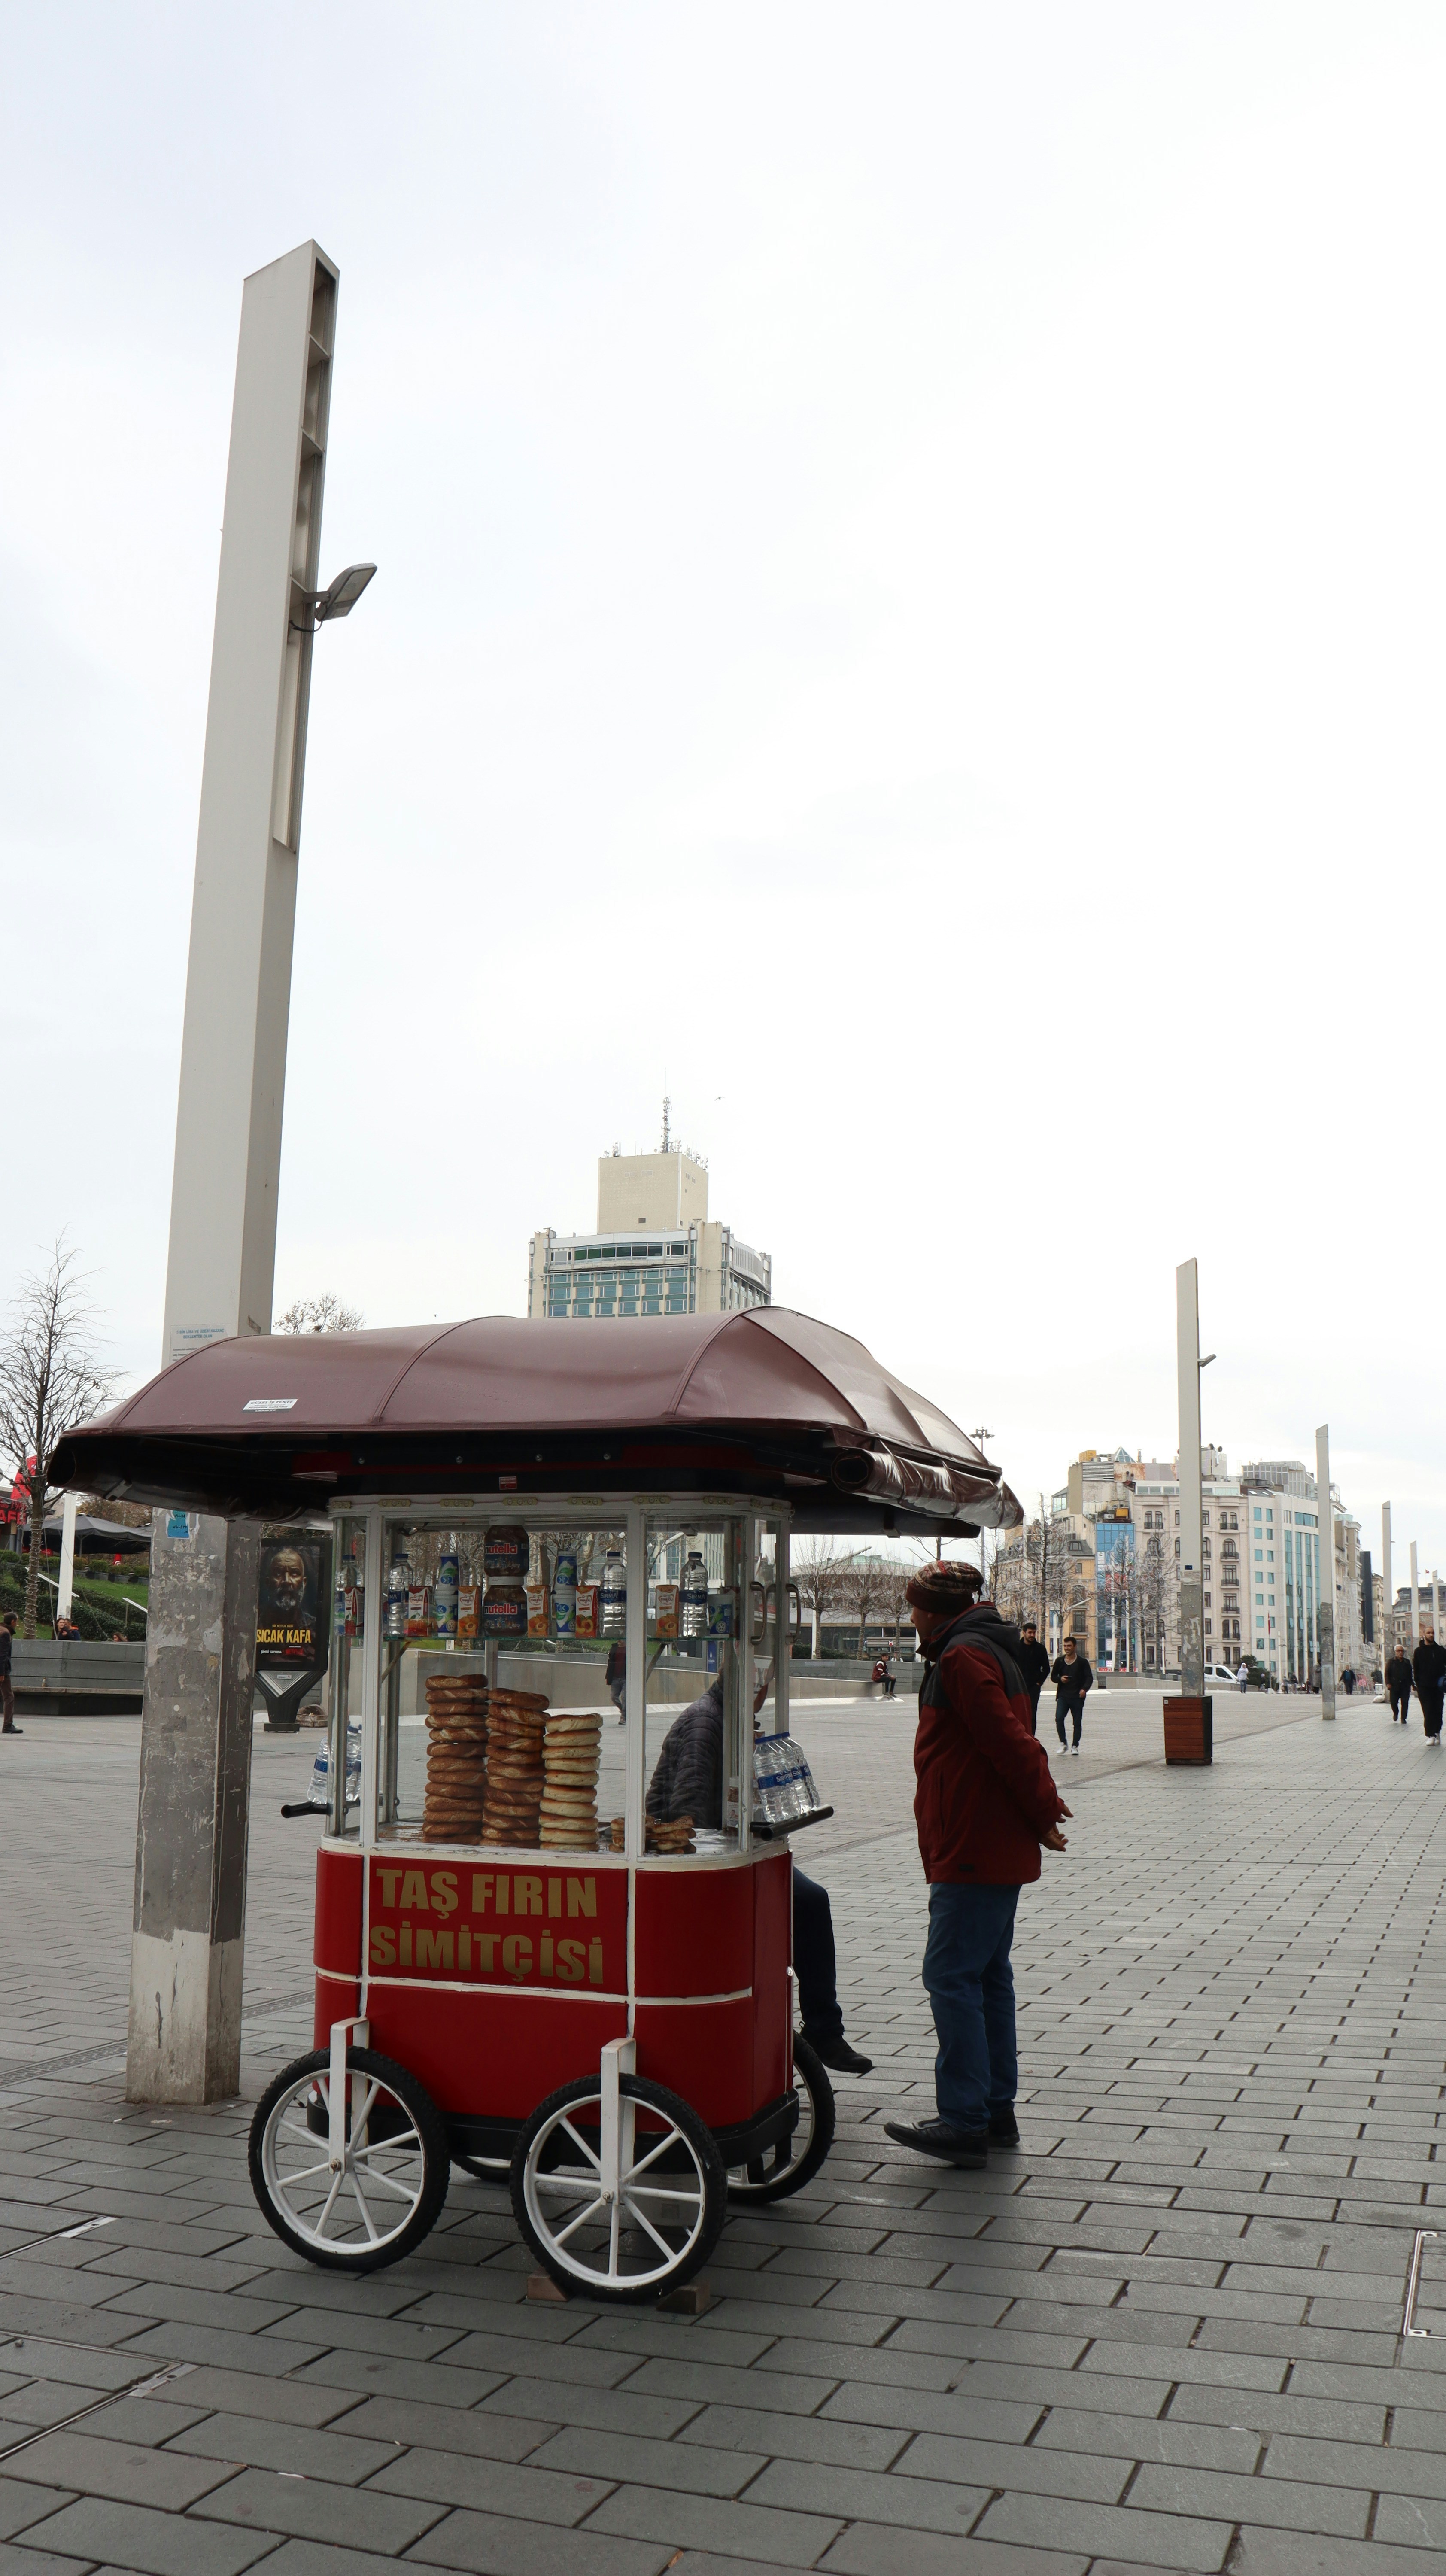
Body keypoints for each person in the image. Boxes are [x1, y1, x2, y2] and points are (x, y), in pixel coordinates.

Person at [883, 1560, 1068, 2171]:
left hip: (972, 1841)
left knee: (951, 1977)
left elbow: (1011, 1743)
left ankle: (964, 2120)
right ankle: (994, 2110)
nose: (910, 1617)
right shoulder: (995, 1646)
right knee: (988, 1976)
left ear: (934, 1609)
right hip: (989, 1840)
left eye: (914, 1607)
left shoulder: (962, 1658)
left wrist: (1045, 1810)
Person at [647, 1668, 872, 2075]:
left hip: (738, 1848)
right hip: (699, 1859)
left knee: (811, 1900)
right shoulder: (706, 1722)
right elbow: (688, 1810)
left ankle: (823, 2028)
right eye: (763, 1687)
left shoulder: (726, 1719)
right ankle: (821, 2028)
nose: (766, 1696)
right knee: (807, 1901)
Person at [1050, 1635, 1093, 1753]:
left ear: (1075, 1646)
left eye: (1069, 1646)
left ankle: (1075, 1746)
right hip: (1063, 1696)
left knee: (1077, 1723)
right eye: (1065, 1646)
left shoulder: (1082, 1662)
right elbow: (1053, 1677)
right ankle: (1063, 1743)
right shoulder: (1059, 1661)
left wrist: (1084, 1689)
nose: (1067, 1648)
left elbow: (1089, 1678)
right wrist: (1061, 1679)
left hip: (1077, 1697)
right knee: (1059, 1719)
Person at [1014, 1622, 1051, 1735]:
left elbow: (1046, 1669)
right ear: (1024, 1633)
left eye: (1034, 1633)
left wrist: (1039, 1683)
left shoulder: (1040, 1649)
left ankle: (1031, 1737)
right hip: (1017, 1687)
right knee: (1017, 1713)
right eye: (1030, 1633)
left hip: (1033, 1688)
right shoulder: (1016, 1647)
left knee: (1031, 1714)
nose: (1032, 1635)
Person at [1413, 1628, 1446, 1743]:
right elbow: (1415, 1669)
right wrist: (1418, 1684)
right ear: (1424, 1635)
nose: (1431, 1635)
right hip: (1424, 1687)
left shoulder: (1441, 1651)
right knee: (1428, 1710)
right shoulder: (1418, 1651)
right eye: (1429, 1633)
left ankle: (1437, 1732)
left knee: (1438, 1710)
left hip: (1438, 1686)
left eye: (1432, 1633)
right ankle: (1430, 1735)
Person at [0, 1614, 19, 1735]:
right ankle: (8, 1725)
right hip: (2, 1671)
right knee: (9, 1697)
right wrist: (2, 1673)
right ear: (13, 1622)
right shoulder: (6, 1633)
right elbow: (2, 1655)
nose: (17, 1624)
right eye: (16, 1622)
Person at [1385, 1644, 1414, 1724]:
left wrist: (1413, 1685)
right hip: (1394, 1686)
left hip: (1405, 1686)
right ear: (1395, 1652)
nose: (1401, 1653)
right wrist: (1388, 1683)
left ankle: (1403, 1718)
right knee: (1393, 1702)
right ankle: (1396, 1712)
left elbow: (1410, 1675)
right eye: (1399, 1651)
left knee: (1405, 1703)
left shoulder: (1407, 1662)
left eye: (1402, 1651)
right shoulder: (1391, 1662)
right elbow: (1387, 1673)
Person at [605, 1637, 626, 1722]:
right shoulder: (614, 1648)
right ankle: (624, 1712)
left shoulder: (629, 1649)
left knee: (625, 1697)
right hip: (615, 1677)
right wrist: (608, 1676)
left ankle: (624, 1717)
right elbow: (611, 1662)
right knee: (613, 1697)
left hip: (626, 1677)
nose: (619, 1641)